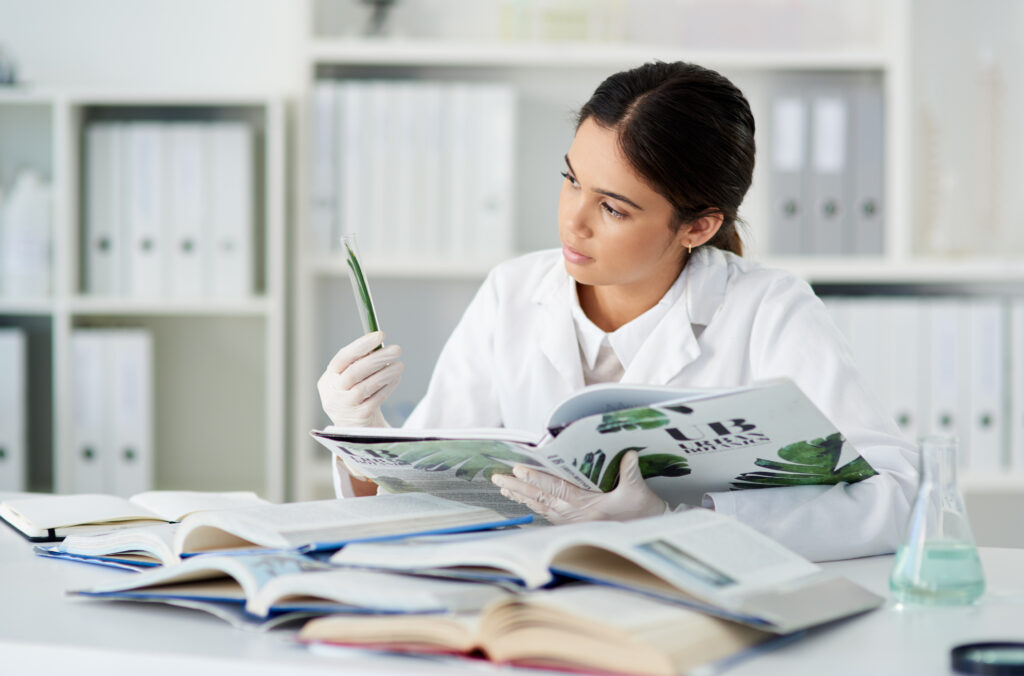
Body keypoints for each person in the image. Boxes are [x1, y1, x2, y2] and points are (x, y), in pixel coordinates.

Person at [317, 61, 918, 562]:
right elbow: (429, 497)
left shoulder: (768, 310)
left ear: (698, 226)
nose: (572, 220)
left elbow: (894, 496)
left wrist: (679, 519)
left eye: (613, 208)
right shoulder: (513, 291)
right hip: (531, 602)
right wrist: (363, 435)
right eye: (571, 180)